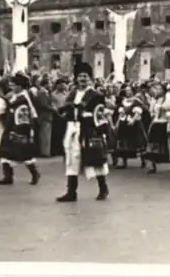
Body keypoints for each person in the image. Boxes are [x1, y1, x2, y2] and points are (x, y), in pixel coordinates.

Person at [56, 62, 111, 202]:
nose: (82, 79)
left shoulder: (96, 95)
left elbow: (100, 114)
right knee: (72, 159)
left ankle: (103, 188)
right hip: (72, 128)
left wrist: (88, 117)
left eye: (85, 76)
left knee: (95, 158)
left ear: (90, 78)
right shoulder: (72, 93)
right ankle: (71, 192)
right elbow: (66, 109)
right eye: (80, 76)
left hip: (88, 130)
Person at [0, 71, 41, 185]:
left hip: (20, 128)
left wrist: (21, 129)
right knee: (6, 151)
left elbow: (26, 115)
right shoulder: (16, 96)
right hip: (11, 126)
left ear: (20, 86)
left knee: (24, 152)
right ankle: (8, 176)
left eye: (14, 85)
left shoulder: (23, 98)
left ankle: (34, 173)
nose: (12, 87)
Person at [144, 83, 170, 174]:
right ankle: (153, 165)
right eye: (156, 89)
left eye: (158, 89)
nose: (156, 91)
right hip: (156, 123)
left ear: (163, 91)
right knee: (153, 143)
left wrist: (166, 113)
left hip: (165, 122)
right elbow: (151, 112)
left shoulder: (167, 99)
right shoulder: (154, 101)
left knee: (169, 144)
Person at [113, 85, 148, 169]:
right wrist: (117, 122)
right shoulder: (123, 101)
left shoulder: (136, 101)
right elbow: (121, 113)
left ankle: (143, 161)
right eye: (126, 90)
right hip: (124, 122)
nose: (127, 92)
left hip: (134, 123)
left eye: (129, 90)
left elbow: (138, 112)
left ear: (132, 91)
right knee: (124, 142)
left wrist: (133, 119)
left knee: (138, 142)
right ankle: (124, 162)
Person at [50, 78, 69, 156]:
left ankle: (63, 149)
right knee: (56, 133)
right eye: (60, 85)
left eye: (63, 85)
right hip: (56, 114)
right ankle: (56, 150)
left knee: (64, 133)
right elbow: (52, 104)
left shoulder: (67, 94)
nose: (62, 86)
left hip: (65, 114)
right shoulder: (53, 94)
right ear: (57, 85)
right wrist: (57, 112)